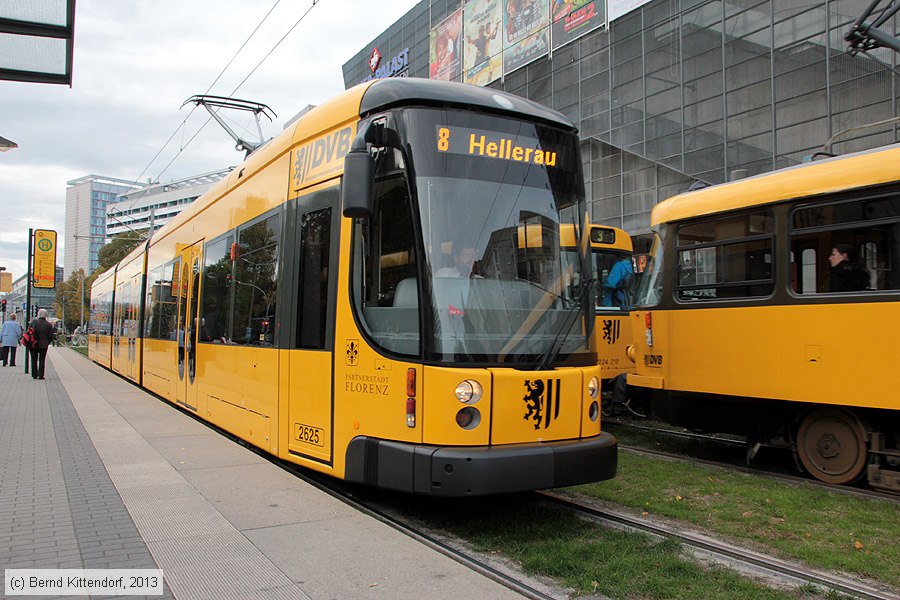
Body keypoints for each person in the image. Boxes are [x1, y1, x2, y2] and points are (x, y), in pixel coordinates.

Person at [29, 308, 55, 380]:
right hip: (43, 344)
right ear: (45, 316)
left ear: (38, 314)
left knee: (33, 359)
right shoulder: (48, 325)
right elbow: (51, 336)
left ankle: (34, 374)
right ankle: (41, 375)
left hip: (33, 344)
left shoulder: (34, 322)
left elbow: (28, 332)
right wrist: (47, 342)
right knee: (42, 359)